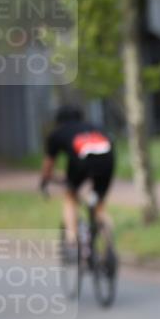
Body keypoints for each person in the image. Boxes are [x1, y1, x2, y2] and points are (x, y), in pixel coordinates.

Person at [39, 105, 115, 259]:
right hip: (107, 160)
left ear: (58, 121)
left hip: (82, 161)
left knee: (70, 196)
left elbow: (48, 165)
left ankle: (72, 240)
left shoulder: (57, 133)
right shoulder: (94, 127)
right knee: (99, 206)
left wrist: (45, 181)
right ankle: (109, 250)